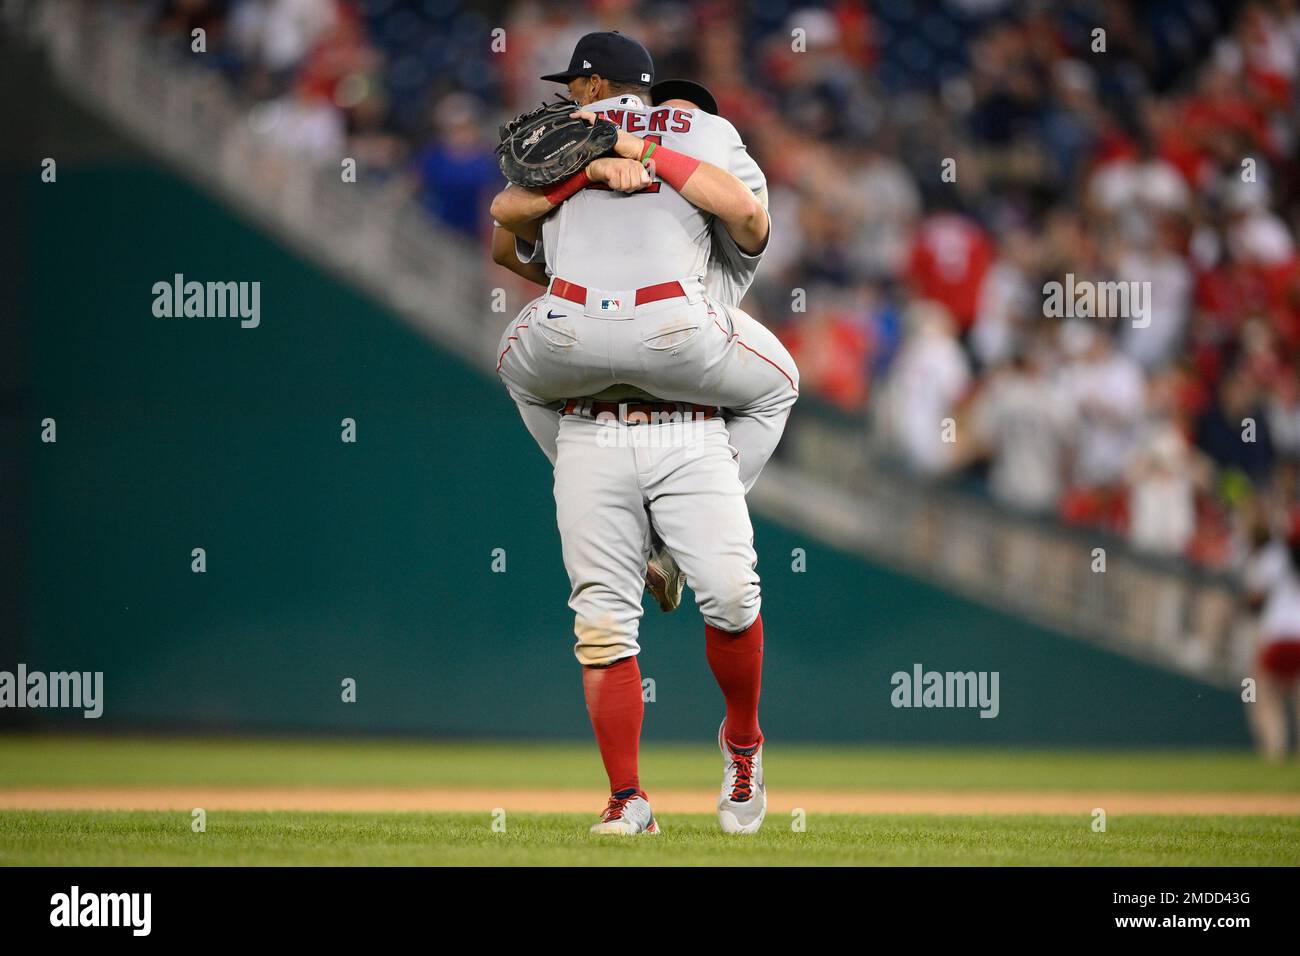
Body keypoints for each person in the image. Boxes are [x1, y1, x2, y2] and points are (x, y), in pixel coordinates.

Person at [489, 32, 798, 835]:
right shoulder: (578, 157)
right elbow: (505, 230)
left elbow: (751, 219)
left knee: (731, 596)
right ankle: (629, 798)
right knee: (600, 621)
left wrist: (633, 152)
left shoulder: (691, 161)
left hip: (690, 427)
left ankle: (743, 745)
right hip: (595, 424)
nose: (673, 114)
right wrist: (585, 172)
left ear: (598, 85)